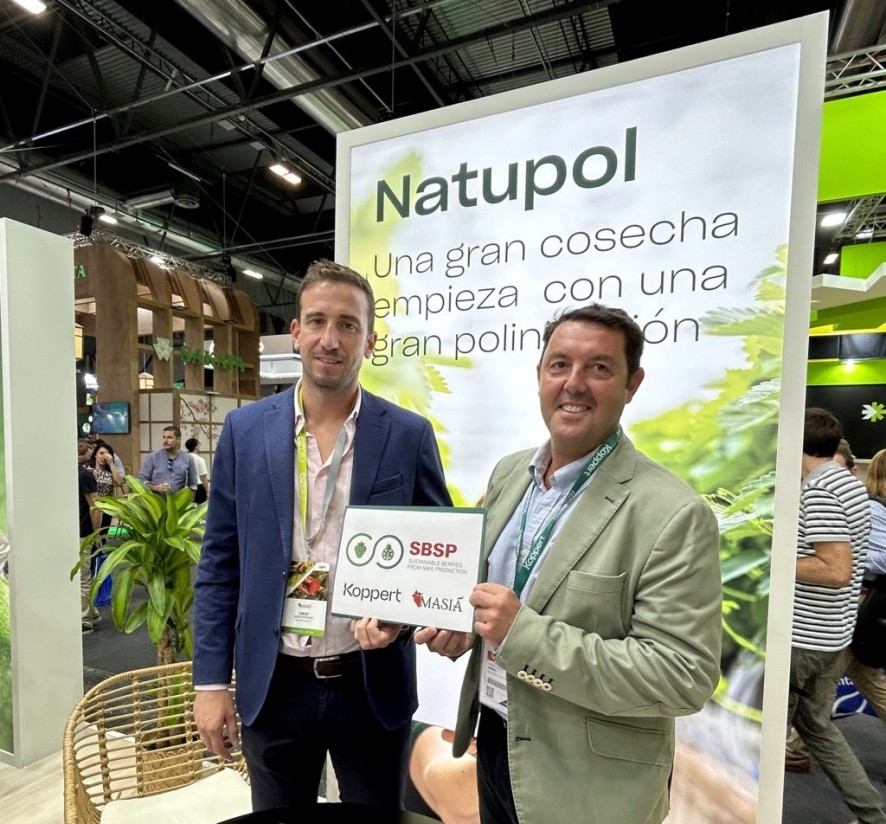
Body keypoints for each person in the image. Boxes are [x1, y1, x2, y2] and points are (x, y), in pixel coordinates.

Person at [417, 303, 723, 824]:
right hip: (495, 742)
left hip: (589, 784)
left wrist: (522, 635)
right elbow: (493, 597)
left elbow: (683, 676)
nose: (574, 383)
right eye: (559, 365)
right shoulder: (510, 473)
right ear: (540, 374)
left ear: (632, 384)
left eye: (599, 368)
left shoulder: (673, 513)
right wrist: (464, 627)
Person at [192, 259, 452, 811]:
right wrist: (210, 683)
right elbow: (219, 565)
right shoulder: (244, 430)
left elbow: (433, 562)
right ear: (296, 332)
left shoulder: (408, 435)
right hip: (274, 685)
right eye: (316, 321)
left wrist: (401, 620)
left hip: (371, 684)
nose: (330, 339)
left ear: (370, 341)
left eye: (347, 325)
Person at [785, 408, 886, 824]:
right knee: (817, 728)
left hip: (805, 639)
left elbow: (837, 569)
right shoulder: (848, 483)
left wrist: (776, 560)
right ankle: (873, 814)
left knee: (761, 735)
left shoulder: (819, 491)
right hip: (832, 634)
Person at [138, 425, 196, 495]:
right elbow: (142, 480)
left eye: (169, 437)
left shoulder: (188, 458)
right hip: (156, 500)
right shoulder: (152, 457)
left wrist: (190, 501)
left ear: (179, 440)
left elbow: (193, 485)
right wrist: (155, 487)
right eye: (164, 437)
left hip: (178, 500)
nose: (165, 441)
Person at [78, 459, 101, 634]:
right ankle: (92, 613)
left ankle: (85, 619)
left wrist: (96, 534)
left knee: (83, 576)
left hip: (83, 534)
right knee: (81, 575)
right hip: (73, 532)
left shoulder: (84, 475)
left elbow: (95, 507)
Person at [184, 438, 210, 504]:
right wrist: (207, 491)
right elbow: (203, 477)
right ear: (196, 447)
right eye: (199, 444)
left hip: (186, 488)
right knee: (199, 509)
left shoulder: (184, 459)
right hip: (198, 487)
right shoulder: (200, 459)